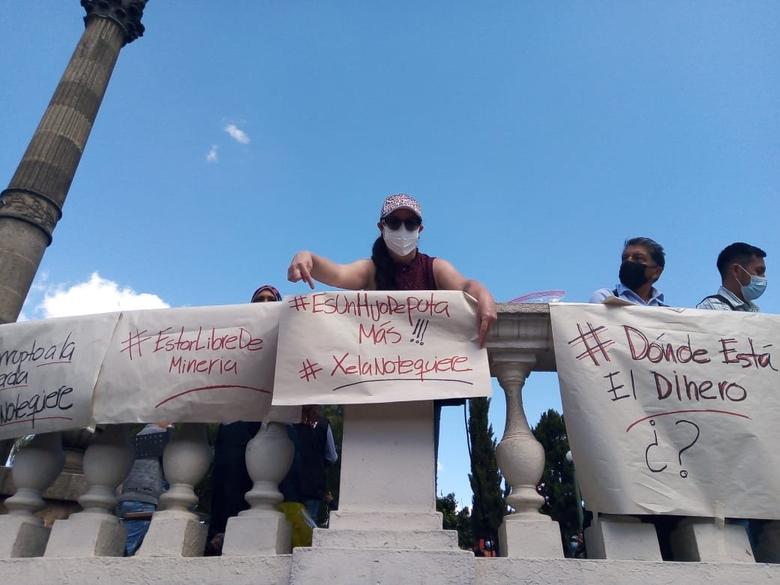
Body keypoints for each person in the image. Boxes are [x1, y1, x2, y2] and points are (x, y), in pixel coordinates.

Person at [287, 193, 497, 346]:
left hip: (426, 378)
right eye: (394, 222)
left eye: (411, 223)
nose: (403, 229)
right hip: (375, 379)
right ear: (382, 227)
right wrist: (308, 258)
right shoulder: (370, 269)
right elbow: (338, 274)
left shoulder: (434, 268)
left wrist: (483, 295)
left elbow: (465, 285)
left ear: (419, 229)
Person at [205, 284, 282, 555]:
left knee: (265, 479)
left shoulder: (285, 337)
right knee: (228, 478)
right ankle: (218, 536)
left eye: (270, 299)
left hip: (268, 419)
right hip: (235, 417)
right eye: (259, 299)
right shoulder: (232, 336)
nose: (264, 302)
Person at [117, 423, 171, 556]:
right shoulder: (161, 435)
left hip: (127, 496)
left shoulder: (140, 434)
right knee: (128, 548)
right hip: (144, 498)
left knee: (125, 541)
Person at [590, 237, 667, 306]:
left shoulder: (668, 313)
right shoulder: (605, 298)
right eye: (625, 258)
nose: (629, 261)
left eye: (638, 258)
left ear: (657, 272)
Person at [697, 242, 766, 311]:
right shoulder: (711, 308)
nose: (763, 277)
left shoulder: (754, 310)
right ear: (736, 270)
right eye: (759, 271)